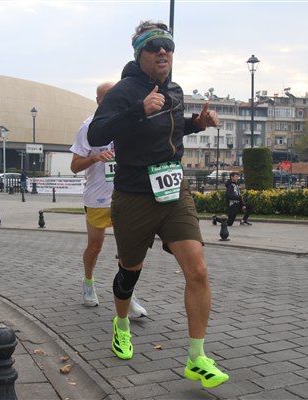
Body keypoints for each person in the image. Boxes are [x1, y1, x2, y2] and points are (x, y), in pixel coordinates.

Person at [87, 20, 229, 389]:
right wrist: (138, 109)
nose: (162, 51)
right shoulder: (123, 92)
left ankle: (197, 357)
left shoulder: (175, 90)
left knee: (197, 270)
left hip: (174, 190)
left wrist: (197, 123)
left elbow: (171, 126)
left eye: (168, 45)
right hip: (134, 194)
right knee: (130, 271)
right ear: (140, 53)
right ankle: (121, 325)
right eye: (153, 46)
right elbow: (96, 133)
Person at [70, 82, 147, 318]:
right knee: (95, 247)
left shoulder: (128, 121)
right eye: (107, 97)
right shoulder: (88, 127)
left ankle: (128, 294)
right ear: (98, 101)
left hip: (126, 194)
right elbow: (74, 166)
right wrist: (95, 158)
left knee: (128, 250)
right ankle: (88, 281)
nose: (113, 100)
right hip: (98, 197)